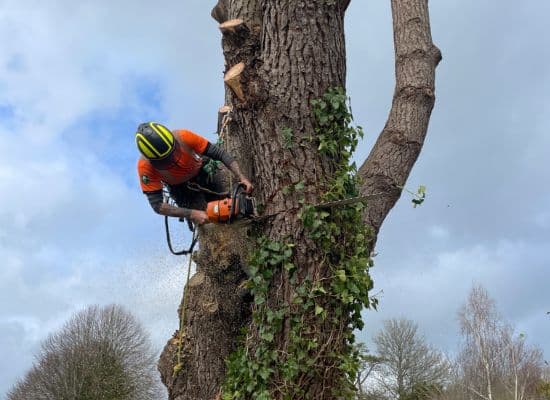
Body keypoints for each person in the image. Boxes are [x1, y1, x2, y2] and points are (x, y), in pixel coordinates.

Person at [136, 122, 253, 225]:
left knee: (225, 205)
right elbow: (158, 205)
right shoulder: (145, 167)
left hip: (201, 173)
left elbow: (219, 154)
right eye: (166, 160)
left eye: (172, 153)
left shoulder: (184, 136)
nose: (172, 159)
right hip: (180, 190)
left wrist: (241, 177)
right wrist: (191, 213)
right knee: (205, 219)